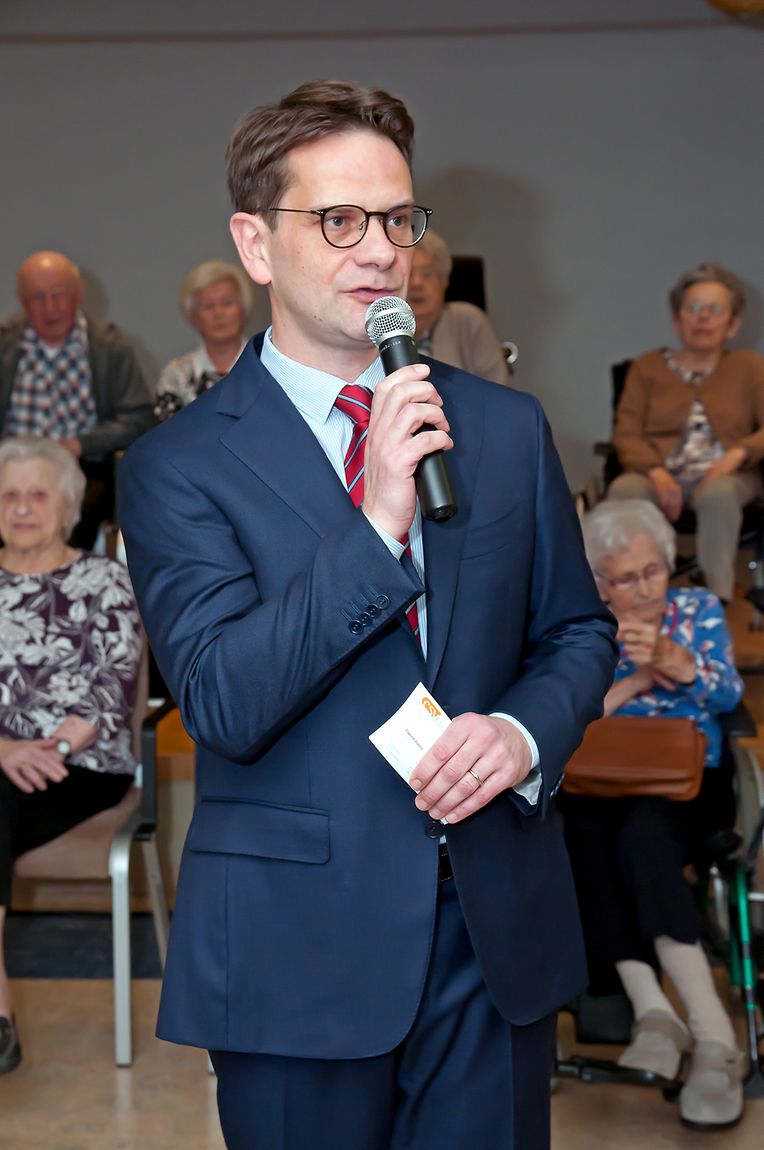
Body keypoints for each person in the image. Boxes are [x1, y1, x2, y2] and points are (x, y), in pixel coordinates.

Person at [118, 79, 617, 1150]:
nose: (379, 251)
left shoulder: (501, 426)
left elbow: (575, 633)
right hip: (296, 949)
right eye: (337, 220)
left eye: (396, 219)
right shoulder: (177, 467)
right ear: (256, 245)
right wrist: (378, 517)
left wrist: (521, 732)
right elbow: (222, 699)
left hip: (489, 938)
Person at [562, 499, 746, 1130]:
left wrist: (673, 659)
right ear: (598, 582)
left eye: (652, 573)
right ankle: (653, 1013)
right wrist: (637, 679)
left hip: (690, 786)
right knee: (575, 834)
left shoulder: (696, 611)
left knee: (642, 836)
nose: (642, 589)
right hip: (601, 781)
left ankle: (714, 1035)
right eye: (623, 579)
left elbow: (729, 693)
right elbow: (571, 719)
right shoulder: (584, 627)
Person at [0, 436, 143, 1075]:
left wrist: (47, 749)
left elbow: (113, 689)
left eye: (37, 495)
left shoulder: (104, 579)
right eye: (8, 495)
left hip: (80, 768)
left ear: (68, 509)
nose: (21, 508)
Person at [608, 262, 764, 604]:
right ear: (678, 319)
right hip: (658, 472)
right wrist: (658, 474)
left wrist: (735, 456)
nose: (702, 317)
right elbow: (627, 434)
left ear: (733, 324)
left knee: (719, 494)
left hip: (730, 476)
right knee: (624, 488)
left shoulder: (750, 367)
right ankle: (626, 598)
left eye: (714, 310)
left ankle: (713, 601)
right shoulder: (646, 367)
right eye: (693, 308)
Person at [0, 251, 155, 548]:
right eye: (37, 297)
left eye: (59, 295)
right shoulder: (5, 346)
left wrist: (79, 443)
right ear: (21, 300)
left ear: (78, 293)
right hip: (9, 467)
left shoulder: (110, 349)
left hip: (82, 468)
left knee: (67, 522)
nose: (50, 308)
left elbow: (140, 418)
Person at [155, 259, 256, 421]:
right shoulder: (175, 376)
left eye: (227, 303)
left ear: (243, 309)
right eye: (208, 306)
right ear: (193, 317)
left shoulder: (266, 365)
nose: (218, 313)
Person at [406, 229, 509, 385]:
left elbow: (501, 395)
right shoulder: (378, 326)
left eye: (426, 274)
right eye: (408, 274)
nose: (417, 283)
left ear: (443, 281)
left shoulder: (467, 321)